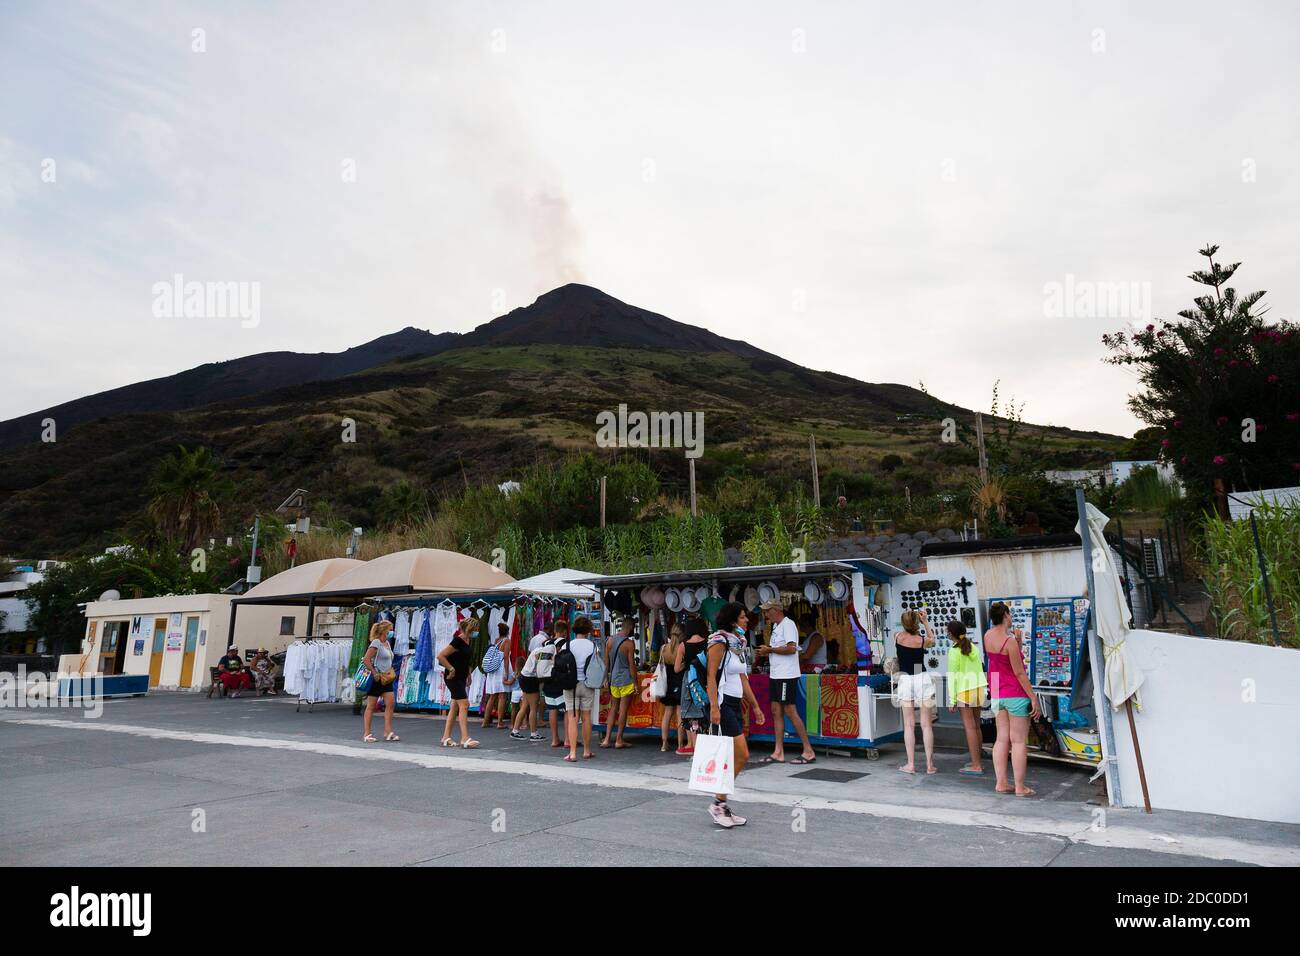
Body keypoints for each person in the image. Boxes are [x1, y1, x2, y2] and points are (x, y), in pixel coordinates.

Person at [704, 601, 765, 828]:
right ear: (732, 620)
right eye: (742, 617)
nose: (747, 620)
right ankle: (718, 803)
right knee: (742, 754)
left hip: (735, 703)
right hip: (723, 703)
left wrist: (756, 706)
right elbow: (711, 676)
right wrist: (714, 707)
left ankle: (721, 803)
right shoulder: (719, 641)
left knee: (735, 756)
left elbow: (742, 678)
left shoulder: (738, 643)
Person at [984, 602, 1039, 796]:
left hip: (998, 691)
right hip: (1015, 692)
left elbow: (999, 663)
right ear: (1006, 615)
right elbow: (1019, 672)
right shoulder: (1010, 642)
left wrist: (1018, 644)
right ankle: (1020, 786)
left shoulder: (988, 636)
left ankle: (1001, 783)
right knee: (1018, 742)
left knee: (1001, 739)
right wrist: (1033, 697)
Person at [755, 599, 815, 764]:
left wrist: (770, 650)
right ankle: (778, 751)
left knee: (790, 710)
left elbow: (791, 648)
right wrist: (768, 651)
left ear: (776, 610)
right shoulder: (776, 627)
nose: (766, 614)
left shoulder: (788, 625)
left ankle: (808, 750)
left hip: (786, 675)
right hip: (776, 674)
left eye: (767, 611)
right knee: (776, 711)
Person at [894, 609, 938, 775]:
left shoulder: (897, 637)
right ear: (916, 623)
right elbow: (933, 640)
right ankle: (929, 764)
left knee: (909, 725)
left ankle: (911, 764)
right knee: (927, 725)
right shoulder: (921, 641)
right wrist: (926, 621)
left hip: (905, 680)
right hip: (922, 678)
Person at [945, 621, 988, 776]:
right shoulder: (973, 647)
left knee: (969, 728)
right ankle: (977, 761)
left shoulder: (954, 651)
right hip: (979, 688)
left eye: (948, 631)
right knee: (977, 726)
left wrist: (952, 700)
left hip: (965, 690)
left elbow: (953, 677)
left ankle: (976, 765)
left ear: (952, 634)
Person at [437, 617, 479, 748]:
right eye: (475, 629)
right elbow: (441, 656)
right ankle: (465, 738)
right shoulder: (458, 641)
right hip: (452, 677)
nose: (477, 632)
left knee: (455, 706)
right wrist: (451, 668)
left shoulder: (467, 641)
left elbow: (464, 661)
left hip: (461, 677)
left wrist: (468, 675)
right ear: (469, 629)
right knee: (464, 704)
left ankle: (446, 737)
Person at [562, 616, 599, 762]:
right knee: (586, 718)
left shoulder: (568, 645)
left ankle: (572, 753)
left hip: (570, 684)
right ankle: (586, 750)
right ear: (588, 630)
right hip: (587, 684)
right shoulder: (593, 646)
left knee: (572, 718)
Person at [601, 616, 638, 749]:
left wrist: (606, 678)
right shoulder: (629, 643)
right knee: (623, 710)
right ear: (631, 627)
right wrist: (635, 682)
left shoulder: (609, 640)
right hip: (626, 679)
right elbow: (632, 665)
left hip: (613, 680)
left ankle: (606, 739)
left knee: (613, 708)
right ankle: (618, 740)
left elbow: (606, 662)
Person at [674, 617, 709, 755]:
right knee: (704, 712)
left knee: (692, 714)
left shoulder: (683, 645)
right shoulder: (707, 643)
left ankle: (694, 745)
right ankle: (703, 744)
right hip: (704, 679)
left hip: (689, 680)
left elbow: (676, 668)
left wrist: (686, 664)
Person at [510, 624, 552, 741]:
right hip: (530, 679)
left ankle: (515, 730)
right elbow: (542, 670)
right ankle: (534, 733)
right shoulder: (545, 653)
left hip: (524, 677)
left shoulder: (536, 649)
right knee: (534, 707)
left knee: (524, 706)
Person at [361, 621, 399, 742]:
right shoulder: (376, 642)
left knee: (390, 704)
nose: (391, 632)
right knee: (371, 706)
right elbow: (366, 659)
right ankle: (367, 733)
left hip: (386, 678)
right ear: (384, 630)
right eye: (390, 629)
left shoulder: (387, 643)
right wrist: (374, 672)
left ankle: (388, 731)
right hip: (377, 678)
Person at [542, 620, 570, 749]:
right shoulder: (565, 644)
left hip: (546, 678)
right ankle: (567, 740)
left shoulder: (546, 643)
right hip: (559, 679)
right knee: (566, 710)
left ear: (554, 631)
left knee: (552, 709)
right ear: (564, 632)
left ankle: (554, 739)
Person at [480, 622, 513, 730]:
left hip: (493, 669)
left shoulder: (496, 640)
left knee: (492, 696)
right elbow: (506, 658)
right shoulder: (507, 641)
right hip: (500, 668)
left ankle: (485, 721)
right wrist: (506, 673)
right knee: (502, 696)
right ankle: (500, 722)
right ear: (508, 632)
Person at [659, 624, 686, 753]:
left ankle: (664, 744)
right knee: (680, 714)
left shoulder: (664, 648)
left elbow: (660, 666)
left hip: (667, 683)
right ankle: (680, 744)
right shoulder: (682, 649)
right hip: (680, 682)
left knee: (667, 714)